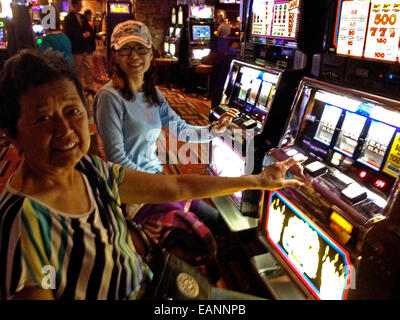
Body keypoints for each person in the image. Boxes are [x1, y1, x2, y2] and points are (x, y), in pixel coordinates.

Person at [0, 49, 304, 300]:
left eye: (72, 111)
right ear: (11, 134)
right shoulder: (25, 222)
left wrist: (259, 180)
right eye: (43, 118)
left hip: (156, 283)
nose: (65, 130)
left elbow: (175, 184)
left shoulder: (87, 169)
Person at [93, 20, 238, 248]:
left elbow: (182, 130)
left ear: (151, 54)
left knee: (220, 222)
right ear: (115, 56)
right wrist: (162, 186)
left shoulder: (153, 94)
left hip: (158, 181)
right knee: (198, 239)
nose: (134, 56)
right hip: (133, 192)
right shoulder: (109, 97)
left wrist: (214, 130)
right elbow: (117, 158)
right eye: (125, 49)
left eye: (141, 48)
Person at [63, 0, 95, 94]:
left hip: (86, 47)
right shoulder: (68, 18)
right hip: (76, 48)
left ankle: (89, 87)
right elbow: (69, 33)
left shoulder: (83, 17)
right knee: (77, 70)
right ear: (74, 4)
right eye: (79, 3)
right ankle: (78, 88)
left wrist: (89, 33)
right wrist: (81, 36)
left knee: (90, 67)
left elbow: (89, 29)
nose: (81, 5)